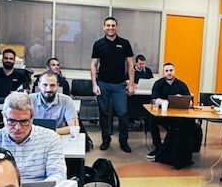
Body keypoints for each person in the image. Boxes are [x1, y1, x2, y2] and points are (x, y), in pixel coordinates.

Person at [90, 16, 135, 152]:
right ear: (104, 27)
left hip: (119, 85)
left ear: (117, 27)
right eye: (108, 25)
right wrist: (94, 84)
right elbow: (93, 64)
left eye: (113, 25)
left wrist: (131, 84)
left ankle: (123, 141)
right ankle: (106, 140)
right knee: (104, 113)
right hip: (103, 84)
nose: (110, 28)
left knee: (122, 113)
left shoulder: (125, 43)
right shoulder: (98, 44)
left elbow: (130, 64)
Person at [146, 62, 191, 160]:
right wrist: (164, 101)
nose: (169, 73)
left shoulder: (181, 84)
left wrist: (181, 98)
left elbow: (190, 101)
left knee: (187, 122)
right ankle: (157, 146)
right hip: (162, 115)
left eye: (171, 70)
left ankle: (181, 149)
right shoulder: (158, 84)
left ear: (174, 71)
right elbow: (154, 99)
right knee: (152, 119)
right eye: (166, 71)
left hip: (177, 116)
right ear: (163, 73)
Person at [30, 71, 80, 136]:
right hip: (34, 137)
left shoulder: (66, 100)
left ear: (57, 86)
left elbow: (74, 127)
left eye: (52, 85)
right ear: (39, 85)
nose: (48, 89)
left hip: (57, 137)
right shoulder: (29, 99)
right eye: (45, 85)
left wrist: (48, 133)